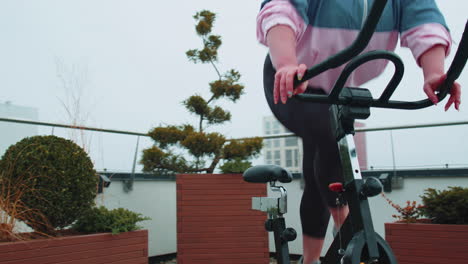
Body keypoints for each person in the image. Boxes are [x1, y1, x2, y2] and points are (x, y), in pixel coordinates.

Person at [256, 0, 462, 263]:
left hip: (340, 88)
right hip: (291, 79)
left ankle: (311, 259)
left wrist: (434, 72)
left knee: (319, 164)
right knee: (330, 141)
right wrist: (286, 62)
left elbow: (423, 21)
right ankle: (346, 225)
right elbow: (282, 9)